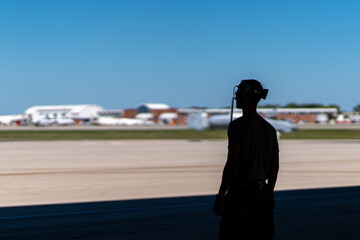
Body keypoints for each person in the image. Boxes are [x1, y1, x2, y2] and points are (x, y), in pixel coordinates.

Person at [213, 79, 279, 240]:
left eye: (239, 95)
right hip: (261, 195)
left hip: (241, 196)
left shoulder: (237, 126)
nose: (236, 98)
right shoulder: (269, 129)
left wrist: (220, 195)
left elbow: (232, 163)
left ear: (247, 98)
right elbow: (274, 167)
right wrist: (269, 194)